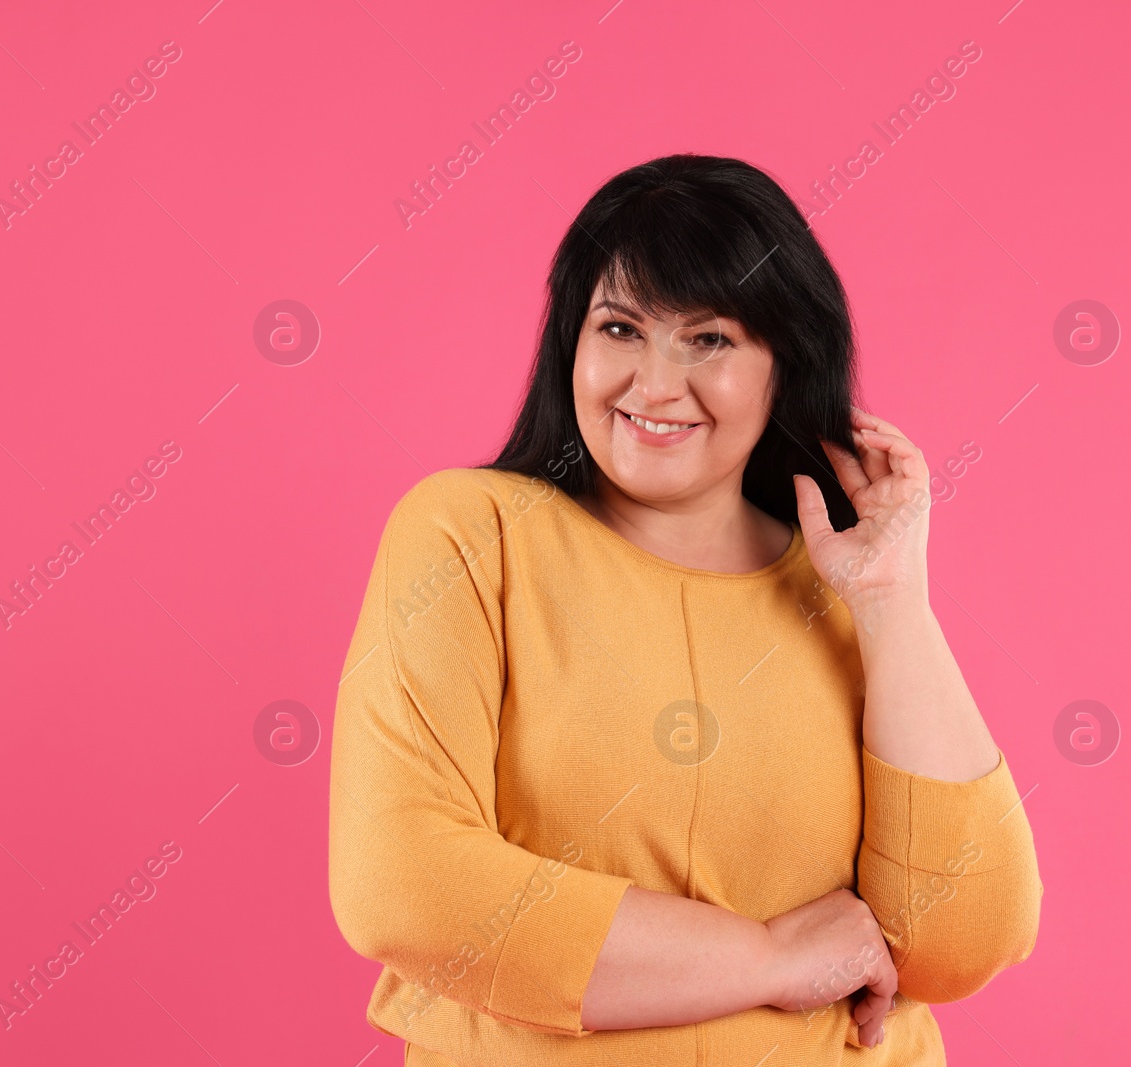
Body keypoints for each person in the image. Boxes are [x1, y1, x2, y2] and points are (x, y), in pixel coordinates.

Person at [328, 152, 1042, 1065]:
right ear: (569, 345)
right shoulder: (471, 537)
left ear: (785, 361)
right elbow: (404, 884)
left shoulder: (847, 588)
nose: (656, 386)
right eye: (621, 327)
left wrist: (893, 599)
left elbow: (964, 940)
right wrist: (768, 958)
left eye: (709, 339)